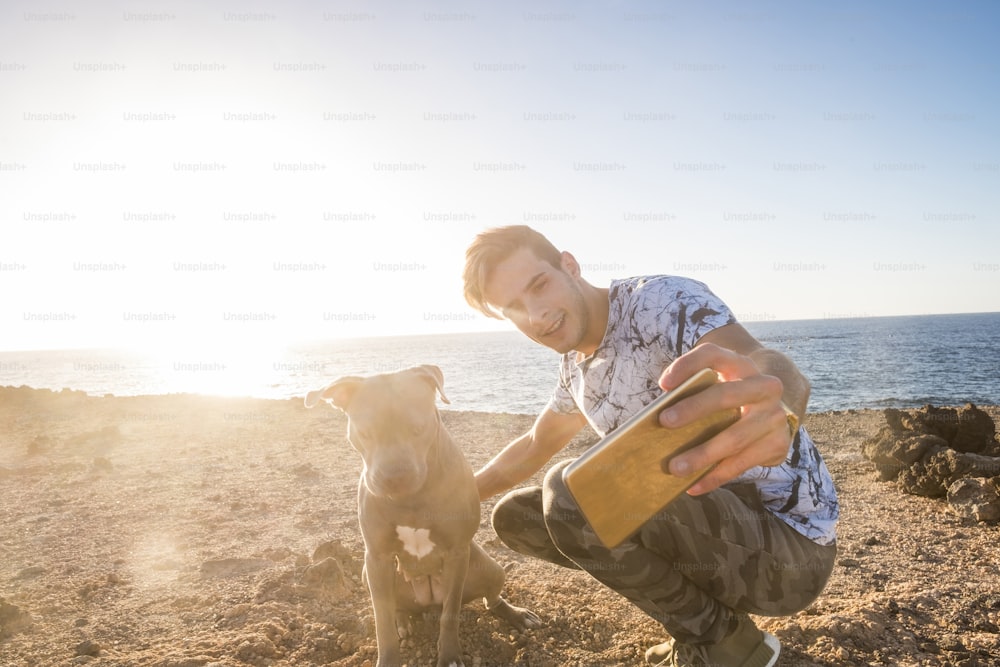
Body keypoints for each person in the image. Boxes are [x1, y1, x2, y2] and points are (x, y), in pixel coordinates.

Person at [461, 225, 838, 667]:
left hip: (789, 556)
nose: (537, 315)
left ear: (569, 264)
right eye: (514, 308)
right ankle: (702, 622)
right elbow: (532, 445)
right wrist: (441, 501)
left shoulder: (658, 302)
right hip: (716, 542)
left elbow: (761, 361)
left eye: (539, 285)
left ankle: (730, 644)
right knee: (519, 516)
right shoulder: (574, 370)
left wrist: (782, 408)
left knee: (570, 494)